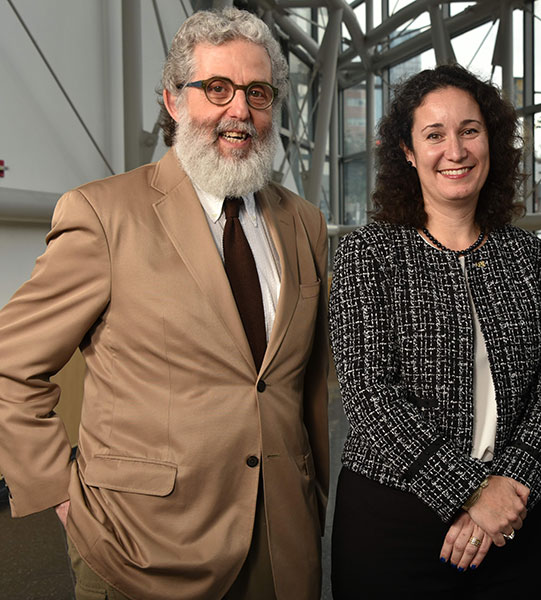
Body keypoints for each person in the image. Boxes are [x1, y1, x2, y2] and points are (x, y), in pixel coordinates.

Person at [0, 8, 329, 600]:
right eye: (217, 88)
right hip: (142, 547)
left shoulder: (303, 222)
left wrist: (317, 494)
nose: (240, 111)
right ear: (174, 101)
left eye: (257, 92)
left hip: (284, 539)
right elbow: (10, 364)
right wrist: (58, 492)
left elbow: (303, 383)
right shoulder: (103, 214)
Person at [328, 64, 541, 599]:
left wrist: (508, 491)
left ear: (491, 141)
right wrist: (471, 492)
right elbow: (370, 394)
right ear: (409, 153)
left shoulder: (529, 258)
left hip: (514, 518)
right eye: (434, 135)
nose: (456, 150)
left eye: (469, 130)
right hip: (394, 525)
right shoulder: (365, 256)